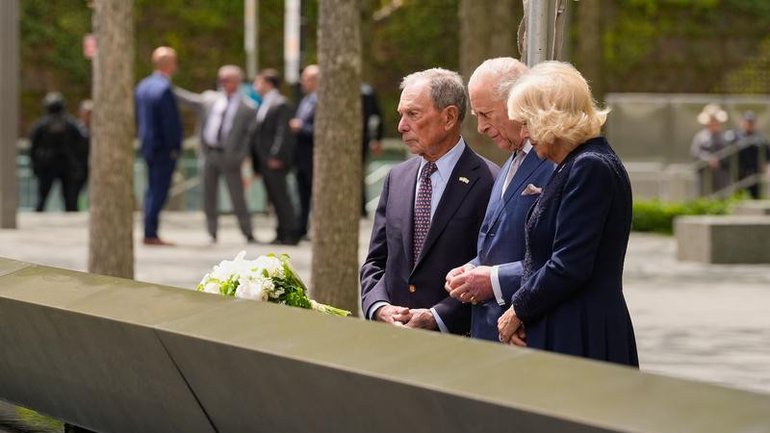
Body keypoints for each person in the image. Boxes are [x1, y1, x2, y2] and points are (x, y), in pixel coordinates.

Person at [497, 61, 639, 367]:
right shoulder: (579, 163)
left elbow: (569, 263)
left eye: (527, 122)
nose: (523, 133)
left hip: (580, 333)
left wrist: (517, 309)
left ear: (551, 118)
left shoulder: (590, 166)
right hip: (570, 327)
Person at [360, 68, 498, 334]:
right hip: (394, 340)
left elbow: (491, 269)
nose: (401, 125)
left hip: (457, 345)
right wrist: (378, 306)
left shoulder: (490, 182)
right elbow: (376, 261)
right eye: (401, 114)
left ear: (448, 117)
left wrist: (438, 317)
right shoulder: (396, 178)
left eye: (413, 114)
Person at [444, 58, 555, 341]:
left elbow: (562, 259)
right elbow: (498, 241)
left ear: (517, 102)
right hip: (490, 333)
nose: (480, 127)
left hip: (528, 333)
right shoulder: (510, 161)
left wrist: (492, 280)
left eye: (486, 114)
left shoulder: (555, 162)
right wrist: (471, 269)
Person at [175, 65, 257, 244]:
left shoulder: (248, 107)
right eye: (221, 79)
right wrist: (167, 85)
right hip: (209, 154)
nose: (222, 83)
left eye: (226, 80)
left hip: (230, 157)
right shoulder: (209, 99)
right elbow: (188, 100)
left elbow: (249, 137)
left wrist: (240, 156)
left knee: (238, 197)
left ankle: (247, 231)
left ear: (237, 82)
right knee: (208, 195)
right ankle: (212, 232)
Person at [135, 46, 182, 246]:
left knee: (151, 190)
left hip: (148, 146)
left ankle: (149, 229)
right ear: (170, 64)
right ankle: (150, 232)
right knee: (158, 191)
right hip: (163, 149)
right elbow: (169, 123)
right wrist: (174, 147)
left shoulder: (143, 86)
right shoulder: (163, 89)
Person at [250, 68, 299, 245]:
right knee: (274, 198)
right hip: (264, 161)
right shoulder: (264, 103)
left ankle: (289, 232)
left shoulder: (281, 103)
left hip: (274, 161)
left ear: (268, 84)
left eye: (258, 82)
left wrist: (276, 155)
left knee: (281, 197)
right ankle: (281, 232)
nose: (255, 86)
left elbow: (282, 133)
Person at [28, 92, 85, 212]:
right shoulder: (70, 123)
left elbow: (33, 147)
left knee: (44, 199)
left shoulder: (42, 125)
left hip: (51, 164)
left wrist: (35, 165)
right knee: (69, 201)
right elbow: (82, 144)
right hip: (62, 164)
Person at [289, 64, 319, 240]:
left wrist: (301, 127)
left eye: (306, 79)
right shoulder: (305, 100)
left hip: (313, 156)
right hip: (300, 156)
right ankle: (301, 228)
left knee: (315, 196)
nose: (302, 82)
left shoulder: (321, 101)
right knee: (302, 195)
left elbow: (322, 130)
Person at [691, 103, 730, 195]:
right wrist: (708, 159)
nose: (713, 123)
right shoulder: (700, 137)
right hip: (704, 172)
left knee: (721, 194)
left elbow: (729, 153)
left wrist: (718, 159)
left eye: (715, 121)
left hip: (721, 173)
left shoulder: (725, 137)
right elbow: (695, 152)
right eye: (711, 121)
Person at [360, 83, 385, 217]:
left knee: (359, 173)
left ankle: (361, 208)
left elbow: (376, 116)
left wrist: (376, 138)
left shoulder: (366, 92)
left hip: (362, 139)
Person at [732, 111, 769, 199]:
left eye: (751, 122)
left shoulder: (760, 139)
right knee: (739, 196)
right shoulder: (735, 138)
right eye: (747, 122)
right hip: (740, 173)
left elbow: (767, 155)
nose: (749, 124)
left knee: (755, 196)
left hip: (755, 173)